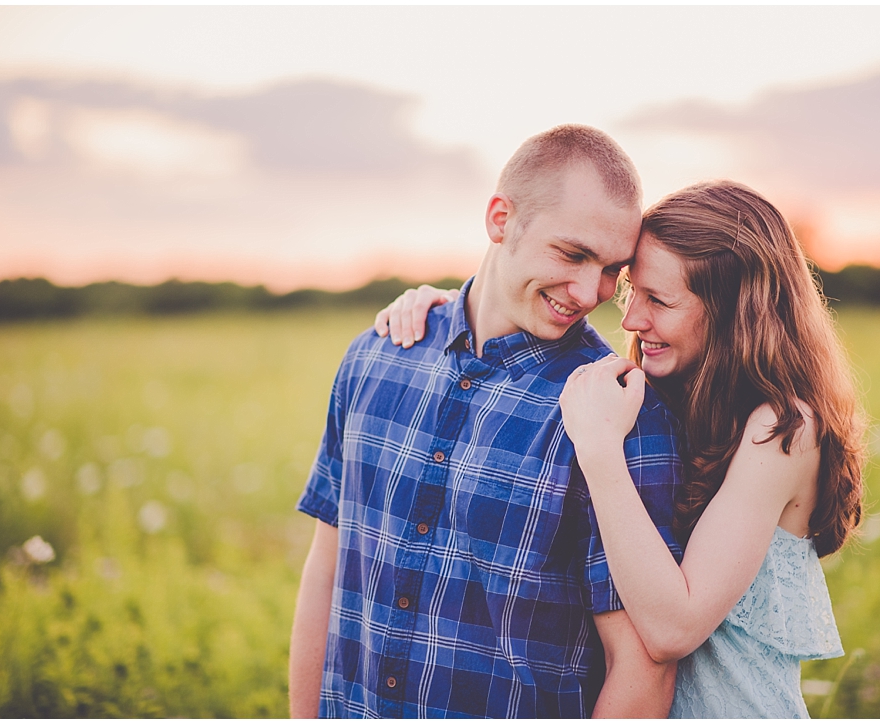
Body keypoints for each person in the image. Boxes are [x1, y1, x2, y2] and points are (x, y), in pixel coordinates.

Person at [379, 180, 865, 718]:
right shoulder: (675, 393)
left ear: (734, 313)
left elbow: (671, 628)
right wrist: (452, 307)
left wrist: (600, 451)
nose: (631, 318)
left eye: (659, 300)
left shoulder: (782, 430)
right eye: (634, 290)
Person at [289, 124, 685, 718]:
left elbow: (643, 668)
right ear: (501, 219)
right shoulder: (373, 359)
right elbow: (327, 571)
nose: (588, 291)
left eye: (612, 270)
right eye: (572, 253)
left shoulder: (620, 411)